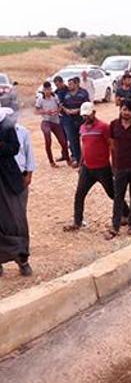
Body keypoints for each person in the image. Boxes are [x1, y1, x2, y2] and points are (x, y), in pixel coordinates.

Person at [64, 102, 129, 232]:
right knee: (79, 194)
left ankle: (126, 213)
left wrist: (115, 165)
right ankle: (77, 222)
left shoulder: (104, 127)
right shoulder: (82, 128)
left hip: (103, 168)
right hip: (87, 169)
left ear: (94, 113)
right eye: (84, 116)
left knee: (112, 193)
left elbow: (112, 146)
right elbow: (84, 148)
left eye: (88, 115)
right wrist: (81, 164)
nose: (86, 118)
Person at [106, 100, 131, 239]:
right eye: (124, 109)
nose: (126, 113)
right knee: (118, 196)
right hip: (119, 166)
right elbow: (111, 142)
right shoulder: (113, 125)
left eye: (129, 110)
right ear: (120, 110)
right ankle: (115, 226)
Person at [0, 107, 32, 276]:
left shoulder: (5, 123)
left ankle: (22, 260)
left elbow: (14, 147)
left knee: (16, 221)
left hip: (8, 180)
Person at [35, 81, 70, 167]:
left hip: (56, 121)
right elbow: (36, 111)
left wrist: (57, 111)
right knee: (48, 139)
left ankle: (68, 159)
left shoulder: (55, 97)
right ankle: (51, 161)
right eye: (46, 90)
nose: (47, 91)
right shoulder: (40, 99)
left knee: (63, 141)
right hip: (46, 121)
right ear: (43, 90)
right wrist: (45, 112)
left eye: (49, 89)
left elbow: (60, 106)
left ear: (51, 89)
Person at [61, 77, 90, 167]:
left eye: (71, 84)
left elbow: (87, 105)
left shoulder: (83, 93)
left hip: (81, 118)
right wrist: (66, 110)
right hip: (69, 119)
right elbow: (61, 105)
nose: (69, 86)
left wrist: (78, 110)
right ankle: (78, 160)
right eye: (69, 84)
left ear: (77, 84)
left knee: (86, 139)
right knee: (73, 141)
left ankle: (87, 159)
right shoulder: (66, 94)